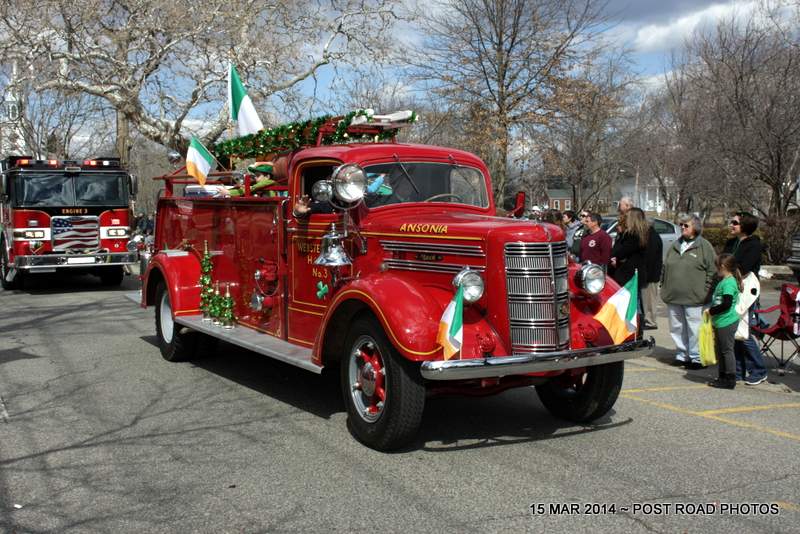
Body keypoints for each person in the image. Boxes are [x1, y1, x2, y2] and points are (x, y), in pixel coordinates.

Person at [660, 214, 717, 369]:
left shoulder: (704, 246)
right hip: (673, 295)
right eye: (681, 225)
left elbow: (712, 271)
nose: (682, 228)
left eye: (686, 225)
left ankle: (696, 357)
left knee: (694, 328)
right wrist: (663, 286)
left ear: (695, 228)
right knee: (676, 327)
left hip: (695, 297)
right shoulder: (675, 245)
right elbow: (665, 267)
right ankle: (681, 354)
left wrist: (706, 292)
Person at [723, 212, 768, 385]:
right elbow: (722, 262)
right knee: (733, 330)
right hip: (729, 288)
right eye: (731, 221)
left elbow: (744, 267)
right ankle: (739, 370)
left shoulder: (753, 245)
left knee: (744, 332)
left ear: (745, 226)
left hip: (745, 291)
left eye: (735, 222)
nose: (731, 225)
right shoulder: (732, 242)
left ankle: (758, 369)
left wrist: (728, 270)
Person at [707, 254, 743, 389]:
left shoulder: (729, 283)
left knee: (726, 351)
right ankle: (722, 376)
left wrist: (711, 311)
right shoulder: (724, 281)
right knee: (720, 350)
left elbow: (726, 304)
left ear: (722, 267)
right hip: (720, 321)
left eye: (717, 267)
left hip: (727, 321)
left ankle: (730, 378)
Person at [642, 221, 663, 330]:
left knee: (650, 300)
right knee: (648, 299)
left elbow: (650, 258)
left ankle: (651, 321)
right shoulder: (651, 236)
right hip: (651, 274)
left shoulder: (652, 238)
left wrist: (646, 275)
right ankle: (648, 320)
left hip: (651, 275)